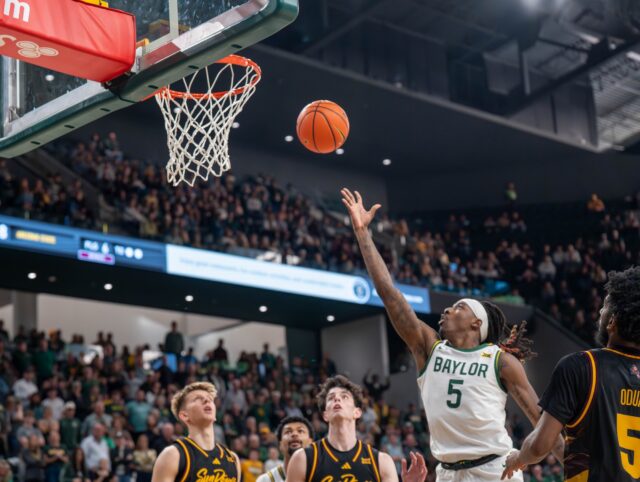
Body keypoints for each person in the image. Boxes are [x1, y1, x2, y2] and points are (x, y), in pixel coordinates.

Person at [341, 188, 562, 481]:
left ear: (476, 324)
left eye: (459, 308)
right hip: (447, 473)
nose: (447, 310)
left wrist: (581, 468)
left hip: (496, 470)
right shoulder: (429, 348)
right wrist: (362, 233)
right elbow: (390, 294)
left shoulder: (500, 361)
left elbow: (542, 422)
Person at [502, 266, 640, 481]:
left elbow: (540, 446)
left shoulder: (582, 366)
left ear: (613, 321)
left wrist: (520, 457)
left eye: (604, 307)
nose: (599, 313)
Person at [287, 375, 427, 482]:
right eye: (331, 398)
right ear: (325, 415)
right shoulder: (303, 459)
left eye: (344, 397)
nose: (337, 399)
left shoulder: (381, 461)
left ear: (357, 412)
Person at [151, 381, 240, 482]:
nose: (207, 400)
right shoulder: (173, 455)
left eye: (210, 399)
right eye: (197, 399)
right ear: (184, 415)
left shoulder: (233, 459)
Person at [256, 416, 314, 482]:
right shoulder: (265, 480)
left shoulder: (323, 477)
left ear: (311, 443)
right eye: (288, 432)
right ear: (280, 445)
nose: (294, 434)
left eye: (300, 431)